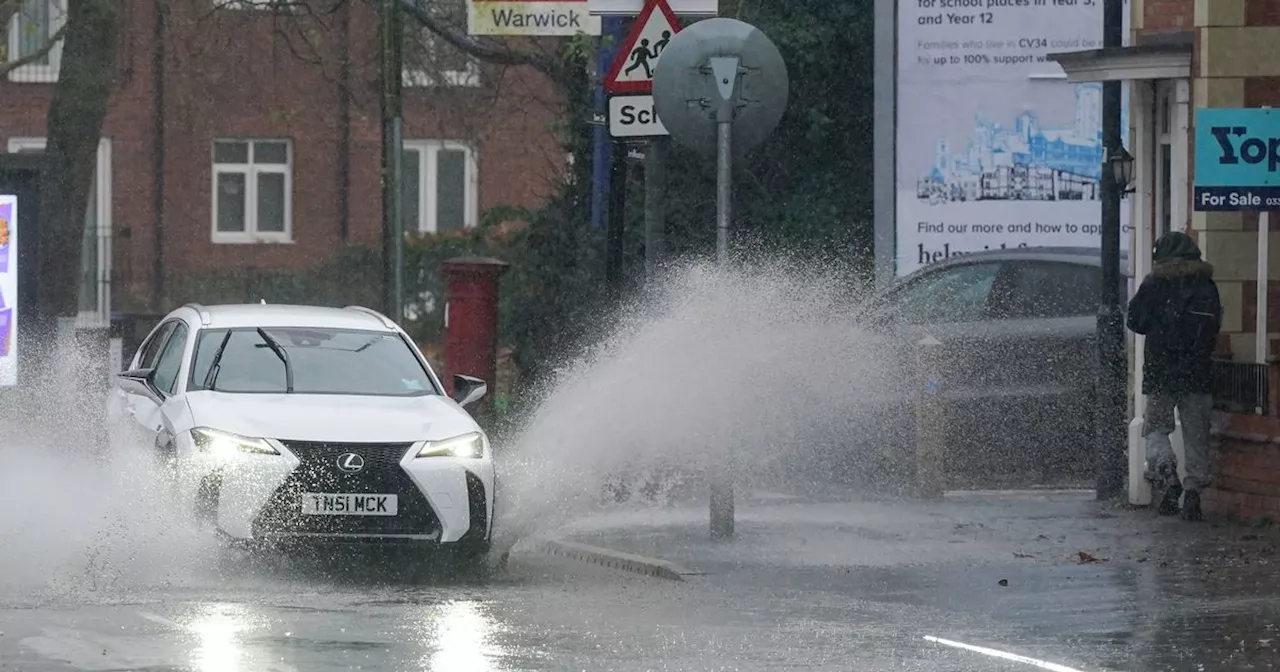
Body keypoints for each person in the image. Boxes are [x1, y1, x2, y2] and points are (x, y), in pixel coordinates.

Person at [1126, 230, 1222, 521]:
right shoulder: (1206, 285)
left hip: (1161, 370)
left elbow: (1135, 321)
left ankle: (1167, 474)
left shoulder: (1155, 284)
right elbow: (1215, 324)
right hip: (1198, 371)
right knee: (1196, 435)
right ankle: (1193, 492)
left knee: (1155, 428)